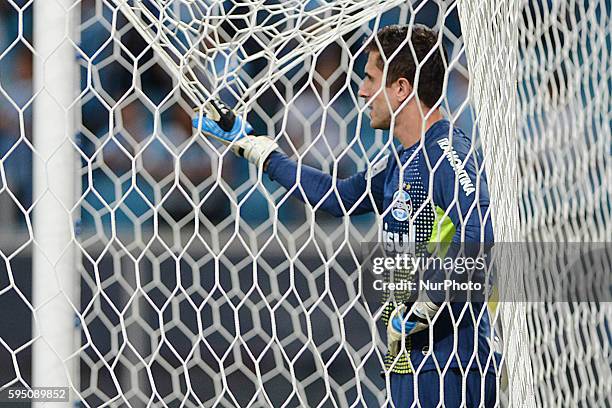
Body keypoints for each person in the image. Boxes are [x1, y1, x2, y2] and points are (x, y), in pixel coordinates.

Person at [193, 24, 497, 408]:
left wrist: (431, 300)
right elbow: (337, 197)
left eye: (371, 79)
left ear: (402, 88)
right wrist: (260, 151)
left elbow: (481, 229)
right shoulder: (401, 162)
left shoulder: (446, 152)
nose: (362, 91)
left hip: (452, 363)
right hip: (412, 362)